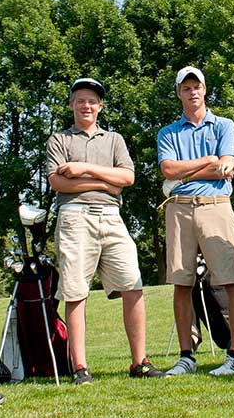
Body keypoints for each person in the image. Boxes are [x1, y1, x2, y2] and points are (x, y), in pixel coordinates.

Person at [46, 78, 164, 384]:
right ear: (71, 104)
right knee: (75, 291)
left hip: (112, 217)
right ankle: (80, 367)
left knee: (132, 284)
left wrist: (84, 169)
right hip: (74, 216)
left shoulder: (114, 139)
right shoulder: (59, 140)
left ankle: (140, 362)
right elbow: (57, 182)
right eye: (80, 100)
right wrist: (102, 183)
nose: (86, 106)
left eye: (92, 101)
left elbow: (127, 177)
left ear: (100, 107)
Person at [156, 66, 234, 376]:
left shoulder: (224, 125)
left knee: (231, 280)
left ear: (205, 89)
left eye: (197, 86)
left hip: (216, 204)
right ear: (179, 92)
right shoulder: (167, 133)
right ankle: (186, 357)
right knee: (181, 283)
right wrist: (208, 162)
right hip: (179, 208)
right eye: (186, 88)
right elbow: (168, 170)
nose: (192, 92)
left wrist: (190, 172)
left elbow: (226, 167)